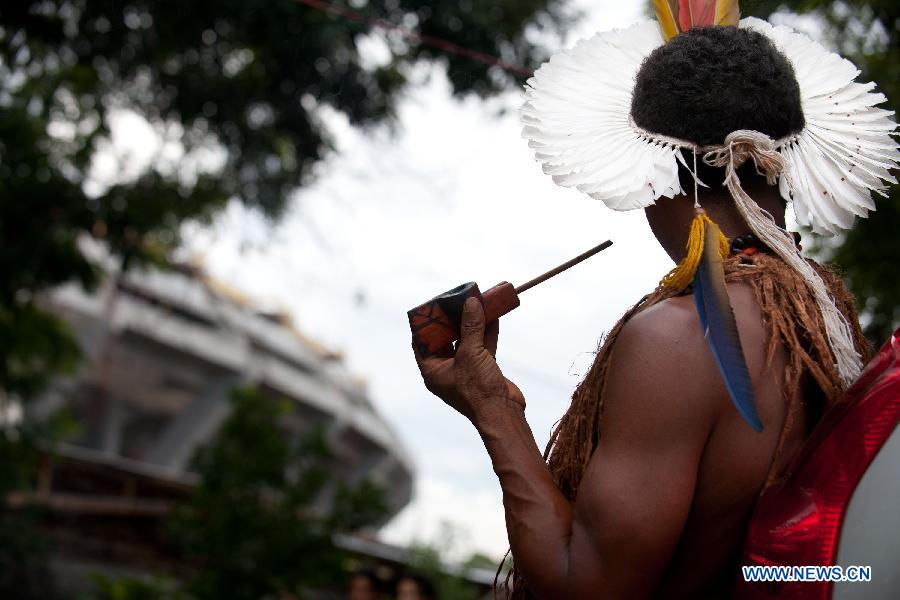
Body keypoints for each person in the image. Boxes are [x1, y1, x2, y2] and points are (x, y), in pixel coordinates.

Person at [412, 3, 898, 598]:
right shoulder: (826, 322)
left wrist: (492, 407)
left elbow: (587, 585)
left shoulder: (678, 337)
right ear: (782, 162)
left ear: (662, 168)